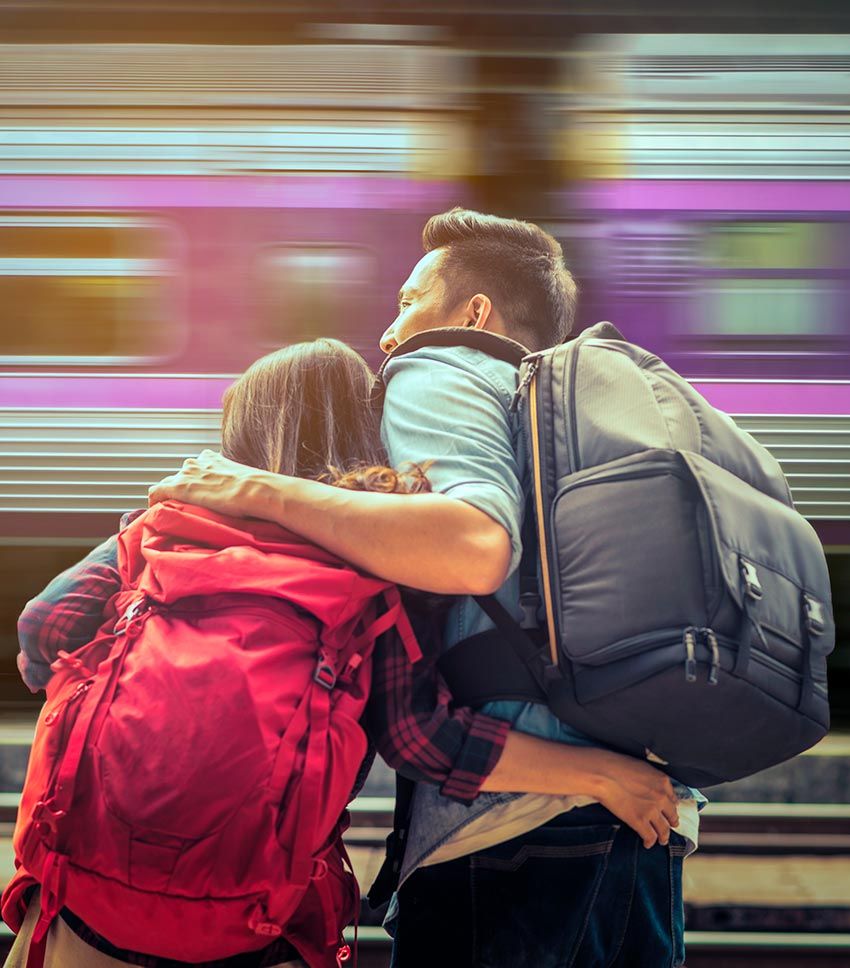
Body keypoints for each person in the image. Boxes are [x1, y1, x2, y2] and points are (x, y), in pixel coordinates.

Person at [11, 335, 680, 968]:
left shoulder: (170, 523)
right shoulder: (371, 563)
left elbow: (44, 626)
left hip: (84, 904)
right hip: (252, 920)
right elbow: (424, 740)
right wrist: (604, 774)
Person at [149, 209, 701, 968]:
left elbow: (472, 560)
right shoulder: (564, 419)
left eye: (408, 302)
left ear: (473, 313)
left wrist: (261, 489)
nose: (388, 334)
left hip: (515, 841)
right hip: (643, 817)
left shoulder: (438, 369)